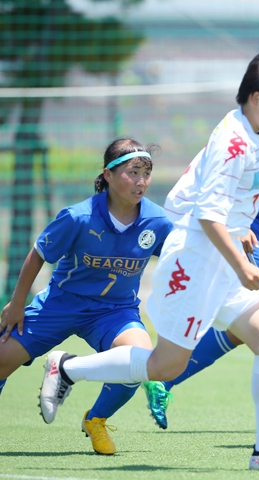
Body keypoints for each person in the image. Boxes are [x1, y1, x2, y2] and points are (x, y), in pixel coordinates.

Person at [38, 52, 259, 473]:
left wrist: (239, 229)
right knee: (164, 366)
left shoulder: (250, 131)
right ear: (257, 98)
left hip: (220, 260)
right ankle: (69, 368)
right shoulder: (234, 143)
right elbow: (206, 213)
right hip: (199, 264)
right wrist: (241, 263)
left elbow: (188, 198)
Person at [140, 40, 259, 435]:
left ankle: (160, 381)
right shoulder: (251, 129)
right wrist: (240, 252)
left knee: (245, 335)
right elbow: (214, 194)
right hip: (247, 235)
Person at [0, 138, 173, 455]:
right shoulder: (78, 216)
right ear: (108, 174)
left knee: (140, 362)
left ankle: (96, 419)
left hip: (115, 312)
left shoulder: (158, 222)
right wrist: (17, 304)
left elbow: (178, 261)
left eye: (146, 173)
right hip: (60, 305)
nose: (141, 181)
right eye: (133, 172)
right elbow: (38, 254)